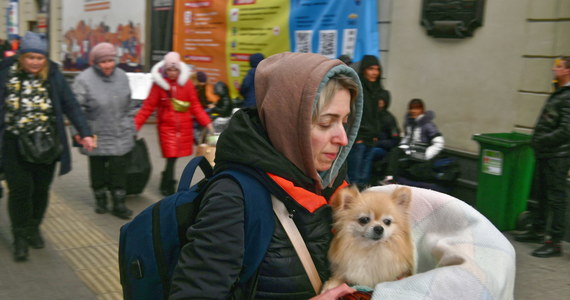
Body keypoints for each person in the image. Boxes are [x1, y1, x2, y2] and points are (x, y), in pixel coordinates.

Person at [169, 52, 364, 299]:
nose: (343, 139)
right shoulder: (233, 199)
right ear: (288, 124)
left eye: (345, 122)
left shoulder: (329, 181)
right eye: (326, 123)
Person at [0, 31, 95, 261]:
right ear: (21, 57)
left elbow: (70, 104)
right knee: (21, 191)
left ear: (45, 59)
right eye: (30, 57)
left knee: (41, 189)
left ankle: (34, 227)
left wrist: (85, 133)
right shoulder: (5, 72)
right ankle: (20, 235)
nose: (35, 62)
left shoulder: (53, 75)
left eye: (39, 58)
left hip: (48, 143)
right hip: (14, 143)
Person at [72, 42, 135, 219]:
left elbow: (130, 104)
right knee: (98, 169)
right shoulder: (83, 79)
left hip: (120, 131)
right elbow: (75, 109)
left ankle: (119, 203)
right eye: (103, 62)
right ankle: (100, 199)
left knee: (119, 170)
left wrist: (131, 126)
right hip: (96, 133)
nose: (108, 65)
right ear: (95, 62)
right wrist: (79, 132)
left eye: (110, 60)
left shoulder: (122, 76)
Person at [134, 52, 213, 196]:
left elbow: (195, 105)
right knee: (171, 156)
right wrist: (135, 126)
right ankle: (168, 185)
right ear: (164, 69)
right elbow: (147, 107)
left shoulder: (187, 85)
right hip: (167, 127)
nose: (172, 73)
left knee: (174, 158)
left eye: (175, 69)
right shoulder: (159, 86)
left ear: (179, 70)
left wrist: (207, 123)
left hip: (183, 127)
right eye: (169, 70)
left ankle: (166, 180)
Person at [514, 56, 570, 258]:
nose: (554, 69)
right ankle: (537, 230)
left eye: (558, 67)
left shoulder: (568, 95)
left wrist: (542, 140)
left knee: (556, 198)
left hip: (558, 155)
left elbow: (566, 130)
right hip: (547, 153)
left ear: (567, 71)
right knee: (541, 194)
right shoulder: (559, 91)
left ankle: (554, 242)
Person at [347, 55, 391, 187]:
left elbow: (376, 115)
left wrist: (376, 134)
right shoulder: (357, 88)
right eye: (371, 69)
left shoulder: (376, 90)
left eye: (377, 69)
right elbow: (351, 114)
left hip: (371, 139)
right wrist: (357, 137)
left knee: (365, 178)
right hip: (358, 139)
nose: (375, 73)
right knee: (354, 178)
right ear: (364, 70)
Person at [381, 98, 444, 184]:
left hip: (421, 152)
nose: (413, 111)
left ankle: (390, 179)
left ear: (422, 110)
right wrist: (403, 146)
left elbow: (439, 142)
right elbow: (407, 137)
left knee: (396, 157)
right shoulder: (409, 123)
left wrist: (427, 154)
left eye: (417, 108)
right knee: (393, 153)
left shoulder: (428, 125)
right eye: (411, 108)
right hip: (410, 151)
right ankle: (390, 178)